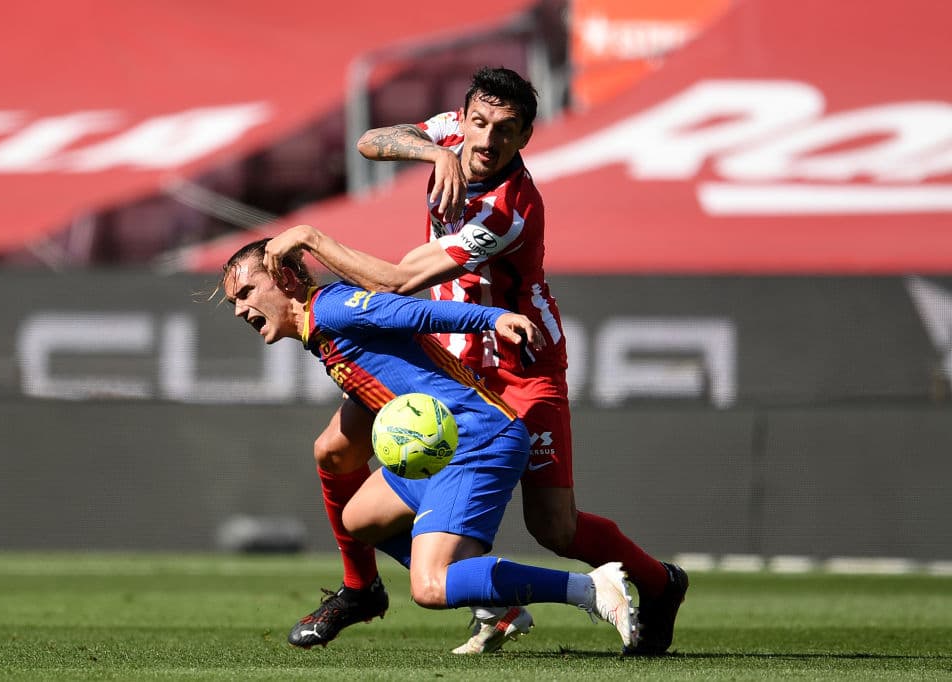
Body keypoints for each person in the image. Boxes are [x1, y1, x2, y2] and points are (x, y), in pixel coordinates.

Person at [264, 66, 687, 655]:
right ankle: (362, 589)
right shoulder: (451, 134)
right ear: (462, 119)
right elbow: (370, 140)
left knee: (554, 528)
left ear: (526, 138)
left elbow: (400, 280)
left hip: (520, 363)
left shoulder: (508, 209)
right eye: (479, 124)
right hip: (447, 353)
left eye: (506, 131)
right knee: (335, 450)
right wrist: (431, 152)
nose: (487, 142)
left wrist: (312, 237)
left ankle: (658, 583)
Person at [219, 239, 637, 652]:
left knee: (430, 587)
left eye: (246, 292)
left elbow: (412, 311)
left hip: (479, 440)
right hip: (445, 450)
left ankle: (590, 588)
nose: (239, 309)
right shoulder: (318, 328)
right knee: (360, 519)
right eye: (234, 301)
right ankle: (494, 605)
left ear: (287, 279)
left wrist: (490, 319)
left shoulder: (330, 308)